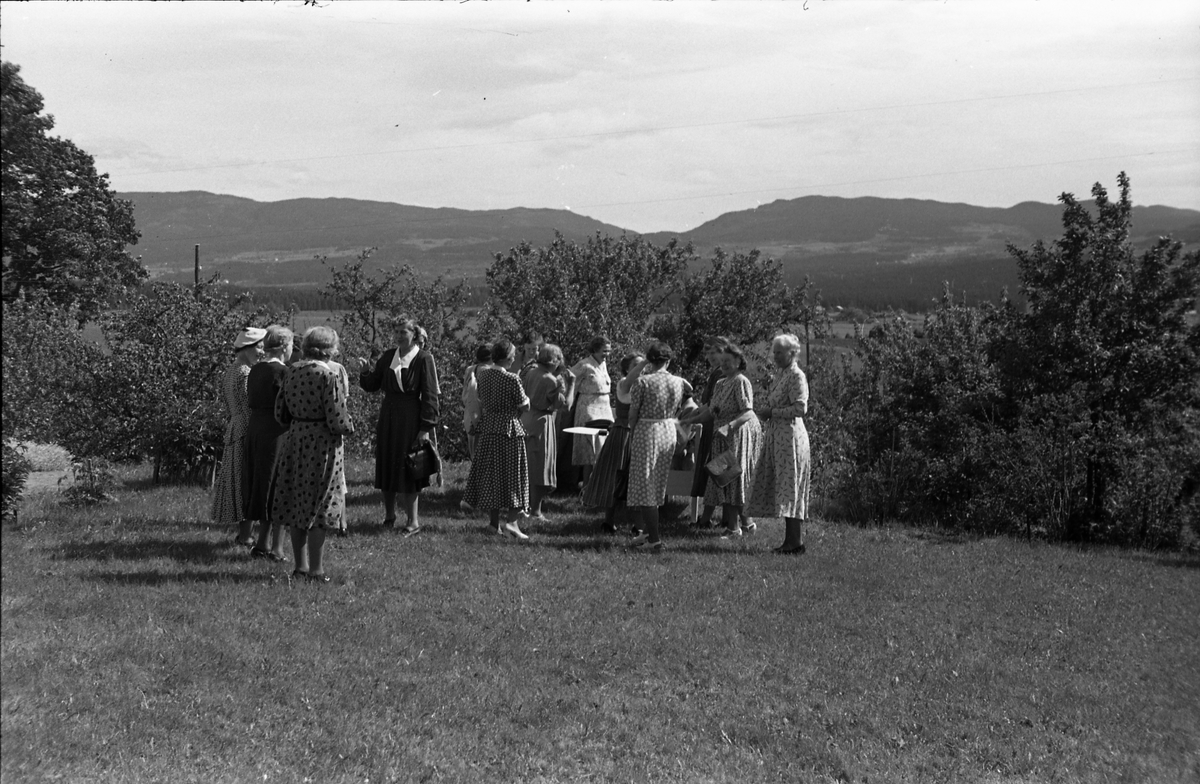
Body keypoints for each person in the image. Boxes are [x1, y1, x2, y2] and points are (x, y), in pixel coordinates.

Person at [267, 326, 354, 583]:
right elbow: (337, 417)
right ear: (330, 348)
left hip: (295, 439)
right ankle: (316, 570)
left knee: (296, 500)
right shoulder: (328, 376)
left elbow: (280, 413)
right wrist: (350, 427)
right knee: (320, 502)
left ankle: (300, 567)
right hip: (322, 443)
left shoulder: (292, 372)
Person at [358, 316, 439, 536]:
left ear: (414, 334)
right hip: (389, 415)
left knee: (410, 465)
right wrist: (365, 372)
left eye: (403, 331)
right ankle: (389, 516)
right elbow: (373, 385)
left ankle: (413, 521)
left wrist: (425, 427)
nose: (399, 336)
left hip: (411, 417)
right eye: (396, 331)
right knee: (387, 462)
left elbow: (430, 395)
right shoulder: (387, 357)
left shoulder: (423, 358)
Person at [688, 343, 762, 539]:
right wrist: (689, 420)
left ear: (739, 362)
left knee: (731, 479)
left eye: (728, 362)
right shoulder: (721, 383)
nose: (725, 365)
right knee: (723, 479)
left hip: (736, 434)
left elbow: (748, 412)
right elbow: (710, 413)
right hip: (720, 435)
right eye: (722, 362)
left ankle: (733, 528)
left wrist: (730, 427)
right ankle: (746, 524)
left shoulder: (740, 381)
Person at [627, 341, 695, 551]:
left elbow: (633, 414)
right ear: (669, 360)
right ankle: (648, 533)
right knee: (657, 483)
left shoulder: (642, 382)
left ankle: (654, 539)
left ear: (649, 360)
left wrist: (632, 431)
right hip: (668, 430)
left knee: (645, 484)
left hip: (647, 431)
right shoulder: (679, 382)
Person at [747, 333, 812, 554]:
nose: (775, 356)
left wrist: (772, 412)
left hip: (791, 438)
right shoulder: (782, 374)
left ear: (792, 353)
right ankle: (790, 541)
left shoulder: (796, 376)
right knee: (785, 488)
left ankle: (795, 542)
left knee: (791, 488)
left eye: (779, 353)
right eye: (774, 352)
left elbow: (800, 408)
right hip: (779, 437)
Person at [461, 339, 531, 540]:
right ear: (508, 358)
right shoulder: (512, 379)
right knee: (514, 476)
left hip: (489, 427)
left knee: (493, 476)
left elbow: (481, 397)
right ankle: (512, 522)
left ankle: (493, 524)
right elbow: (524, 404)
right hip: (509, 429)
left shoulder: (483, 374)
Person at [581, 352, 646, 532]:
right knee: (613, 477)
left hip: (640, 435)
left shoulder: (645, 385)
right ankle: (609, 522)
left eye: (642, 366)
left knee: (637, 480)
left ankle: (638, 525)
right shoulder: (623, 384)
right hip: (622, 435)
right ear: (627, 368)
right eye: (636, 366)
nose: (641, 370)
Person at [213, 326, 265, 546]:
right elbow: (250, 403)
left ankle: (244, 534)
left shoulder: (232, 369)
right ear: (246, 348)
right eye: (259, 347)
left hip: (235, 426)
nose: (261, 352)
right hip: (245, 428)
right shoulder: (245, 372)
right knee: (246, 482)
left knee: (239, 480)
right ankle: (245, 536)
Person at [245, 326, 293, 561]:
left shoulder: (255, 370)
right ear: (285, 347)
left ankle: (262, 542)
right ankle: (277, 547)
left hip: (256, 428)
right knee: (279, 486)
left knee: (262, 484)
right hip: (277, 431)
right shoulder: (284, 372)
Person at [521, 343, 575, 522]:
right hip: (542, 421)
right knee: (540, 466)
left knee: (528, 464)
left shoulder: (531, 373)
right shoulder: (550, 380)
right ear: (555, 360)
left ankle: (524, 506)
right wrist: (570, 385)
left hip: (527, 418)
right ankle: (535, 511)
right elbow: (564, 405)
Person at [689, 336, 732, 527]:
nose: (710, 356)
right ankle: (722, 519)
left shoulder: (723, 374)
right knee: (717, 471)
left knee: (721, 471)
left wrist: (694, 417)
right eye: (707, 353)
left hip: (720, 427)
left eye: (714, 352)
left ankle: (723, 520)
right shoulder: (716, 373)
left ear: (724, 351)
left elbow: (716, 406)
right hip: (711, 425)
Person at [570, 336, 614, 485]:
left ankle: (600, 485)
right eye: (603, 351)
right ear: (595, 350)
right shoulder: (584, 365)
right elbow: (569, 378)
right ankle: (587, 486)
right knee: (590, 450)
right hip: (588, 408)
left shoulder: (603, 364)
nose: (606, 354)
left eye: (608, 351)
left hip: (605, 408)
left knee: (604, 447)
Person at [461, 344, 494, 460]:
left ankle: (473, 476)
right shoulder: (490, 372)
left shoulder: (470, 369)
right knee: (485, 454)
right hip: (483, 415)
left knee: (473, 451)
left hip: (469, 412)